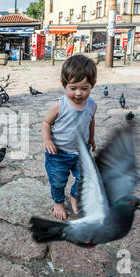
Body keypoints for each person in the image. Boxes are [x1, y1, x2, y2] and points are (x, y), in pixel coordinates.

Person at [42, 55, 97, 220]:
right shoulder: (59, 105)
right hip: (58, 154)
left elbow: (90, 121)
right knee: (58, 182)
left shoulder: (92, 104)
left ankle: (75, 195)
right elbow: (46, 123)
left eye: (84, 88)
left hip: (82, 151)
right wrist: (47, 140)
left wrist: (92, 138)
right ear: (64, 84)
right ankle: (58, 202)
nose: (79, 93)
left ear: (92, 85)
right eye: (73, 88)